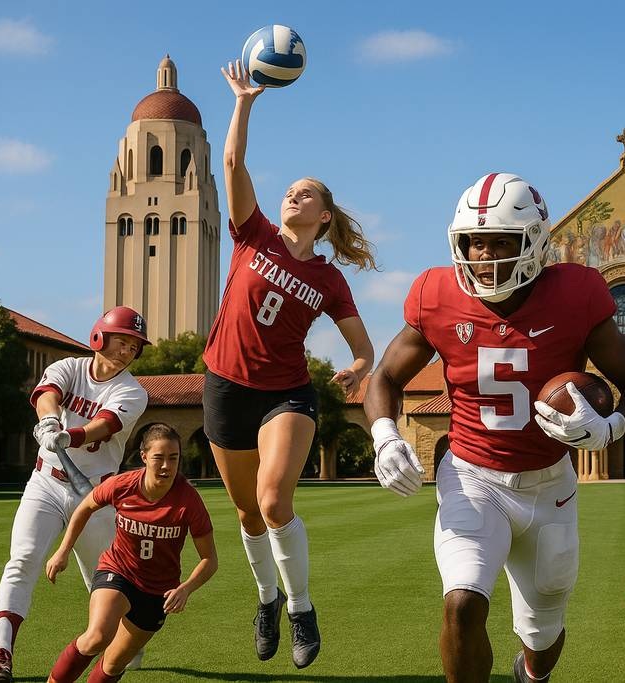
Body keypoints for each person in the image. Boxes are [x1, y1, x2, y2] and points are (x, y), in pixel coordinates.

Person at [364, 172, 625, 683]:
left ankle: (531, 671)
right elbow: (386, 375)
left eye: (500, 241)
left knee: (543, 636)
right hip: (473, 478)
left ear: (534, 244)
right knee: (461, 604)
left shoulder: (576, 293)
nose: (484, 256)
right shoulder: (436, 293)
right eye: (474, 242)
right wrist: (385, 435)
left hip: (549, 486)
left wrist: (610, 428)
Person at [202, 60, 376, 670]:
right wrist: (244, 102)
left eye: (306, 192)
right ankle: (267, 599)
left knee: (275, 502)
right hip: (225, 385)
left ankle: (301, 608)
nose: (292, 195)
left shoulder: (328, 277)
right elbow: (232, 164)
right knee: (248, 512)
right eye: (290, 190)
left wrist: (357, 366)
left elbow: (363, 345)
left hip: (287, 394)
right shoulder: (254, 235)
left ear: (323, 215)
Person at [0, 307, 150, 683]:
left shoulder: (132, 391)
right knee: (22, 559)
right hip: (45, 482)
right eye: (122, 341)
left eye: (134, 346)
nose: (127, 351)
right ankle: (1, 654)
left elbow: (105, 424)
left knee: (104, 580)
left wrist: (68, 436)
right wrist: (49, 421)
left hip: (96, 493)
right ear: (99, 338)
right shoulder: (68, 366)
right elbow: (47, 393)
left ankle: (122, 643)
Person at [44, 423, 217, 682]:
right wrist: (63, 550)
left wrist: (186, 588)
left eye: (174, 458)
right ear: (144, 456)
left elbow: (209, 559)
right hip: (119, 572)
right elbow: (85, 507)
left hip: (159, 591)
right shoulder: (122, 485)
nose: (167, 466)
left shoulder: (188, 500)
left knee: (114, 664)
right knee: (97, 637)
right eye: (159, 458)